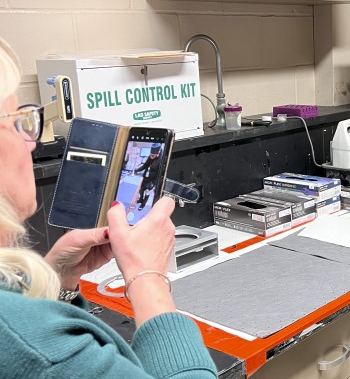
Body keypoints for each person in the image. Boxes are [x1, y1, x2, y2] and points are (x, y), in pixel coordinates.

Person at [0, 38, 217, 378]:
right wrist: (147, 279)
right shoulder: (42, 351)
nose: (30, 144)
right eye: (18, 123)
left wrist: (57, 280)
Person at [134, 144, 162, 211]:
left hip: (151, 181)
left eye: (153, 155)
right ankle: (140, 200)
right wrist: (137, 170)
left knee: (147, 193)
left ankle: (143, 205)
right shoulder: (150, 157)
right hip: (145, 178)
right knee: (141, 190)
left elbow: (159, 174)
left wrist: (155, 185)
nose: (151, 156)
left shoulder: (159, 161)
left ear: (157, 154)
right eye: (150, 154)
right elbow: (144, 166)